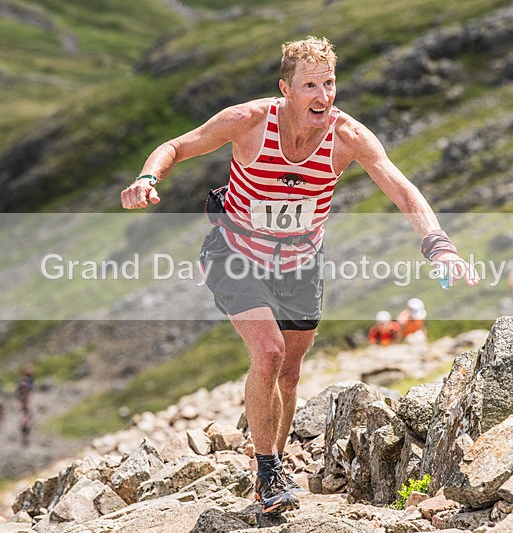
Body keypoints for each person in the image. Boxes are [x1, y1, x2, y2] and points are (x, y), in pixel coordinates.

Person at [121, 36, 479, 516]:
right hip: (236, 254)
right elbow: (176, 146)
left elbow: (403, 189)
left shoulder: (347, 136)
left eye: (329, 83)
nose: (322, 95)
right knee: (268, 353)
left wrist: (438, 244)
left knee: (289, 374)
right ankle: (268, 471)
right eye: (310, 85)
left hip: (300, 265)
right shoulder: (248, 122)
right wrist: (148, 178)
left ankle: (273, 464)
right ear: (285, 88)